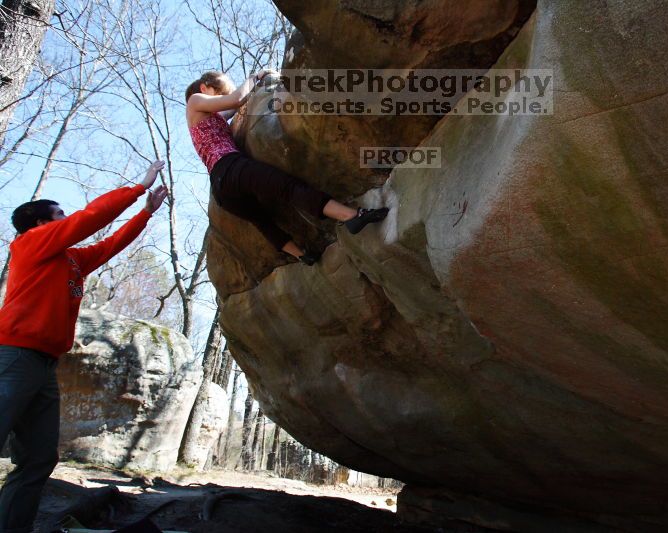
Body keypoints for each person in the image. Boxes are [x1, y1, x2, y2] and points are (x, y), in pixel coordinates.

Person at [0, 162, 168, 533]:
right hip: (14, 355)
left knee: (39, 458)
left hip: (45, 365)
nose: (65, 219)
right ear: (41, 223)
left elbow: (109, 245)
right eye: (58, 215)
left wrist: (145, 214)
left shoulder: (71, 260)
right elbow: (88, 219)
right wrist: (137, 187)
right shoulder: (30, 243)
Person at [185, 70, 388, 265]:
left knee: (263, 220)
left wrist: (254, 90)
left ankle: (302, 256)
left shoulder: (208, 116)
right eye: (220, 93)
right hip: (230, 168)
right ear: (204, 87)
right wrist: (256, 76)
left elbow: (234, 106)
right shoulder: (195, 100)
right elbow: (236, 99)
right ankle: (351, 216)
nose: (223, 97)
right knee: (287, 188)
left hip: (223, 191)